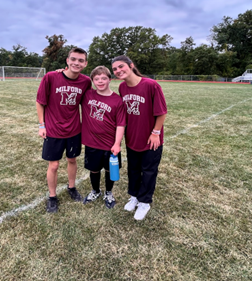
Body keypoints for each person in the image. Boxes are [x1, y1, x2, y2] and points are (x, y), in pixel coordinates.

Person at [111, 55, 167, 220]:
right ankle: (134, 196)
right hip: (132, 137)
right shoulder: (122, 88)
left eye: (121, 66)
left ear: (131, 65)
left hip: (151, 138)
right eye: (115, 69)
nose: (118, 70)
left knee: (149, 171)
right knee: (134, 169)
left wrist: (156, 132)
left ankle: (145, 202)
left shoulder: (151, 85)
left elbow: (162, 112)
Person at [36, 47, 92, 213]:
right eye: (73, 59)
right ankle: (52, 197)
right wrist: (41, 125)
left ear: (85, 63)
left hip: (74, 129)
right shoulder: (51, 77)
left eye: (80, 60)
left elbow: (88, 103)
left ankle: (71, 187)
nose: (76, 63)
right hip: (53, 130)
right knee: (53, 165)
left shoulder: (85, 81)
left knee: (72, 160)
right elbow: (40, 102)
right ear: (67, 61)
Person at [80, 66, 126, 209]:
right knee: (94, 169)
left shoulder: (117, 100)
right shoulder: (87, 94)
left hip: (110, 144)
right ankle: (95, 191)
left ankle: (109, 193)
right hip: (92, 142)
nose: (100, 81)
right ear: (93, 81)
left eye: (103, 78)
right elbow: (71, 83)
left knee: (110, 170)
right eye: (96, 78)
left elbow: (120, 124)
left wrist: (117, 143)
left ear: (109, 79)